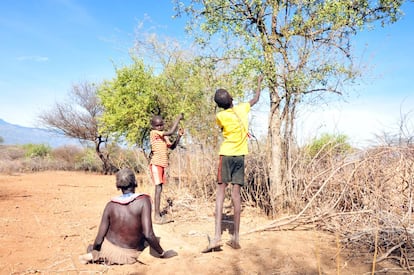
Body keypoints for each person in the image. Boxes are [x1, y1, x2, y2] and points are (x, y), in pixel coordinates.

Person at [202, 75, 263, 253]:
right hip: (240, 156)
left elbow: (222, 128)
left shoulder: (220, 116)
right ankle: (235, 238)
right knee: (236, 195)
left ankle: (217, 237)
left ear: (219, 105)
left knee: (220, 193)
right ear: (232, 98)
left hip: (226, 155)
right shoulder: (243, 108)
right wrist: (258, 82)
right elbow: (256, 98)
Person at [79, 168, 178, 265]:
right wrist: (162, 253)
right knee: (148, 241)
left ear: (118, 186)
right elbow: (148, 234)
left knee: (92, 248)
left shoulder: (110, 205)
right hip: (128, 254)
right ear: (135, 182)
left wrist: (95, 251)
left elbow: (99, 238)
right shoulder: (144, 201)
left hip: (108, 247)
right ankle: (98, 255)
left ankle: (95, 255)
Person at [149, 113, 184, 224]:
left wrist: (179, 136)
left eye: (161, 125)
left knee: (160, 188)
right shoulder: (154, 133)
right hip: (156, 164)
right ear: (153, 127)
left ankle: (158, 214)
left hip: (162, 165)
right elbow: (170, 132)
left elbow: (172, 147)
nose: (159, 127)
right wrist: (178, 118)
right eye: (157, 125)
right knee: (158, 188)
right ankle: (156, 216)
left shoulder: (164, 137)